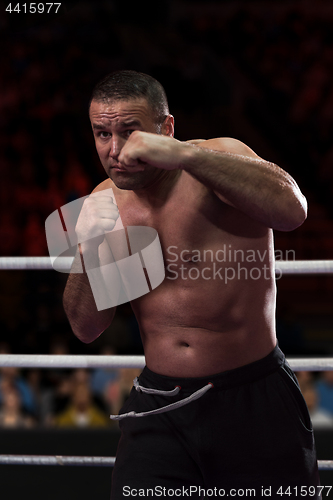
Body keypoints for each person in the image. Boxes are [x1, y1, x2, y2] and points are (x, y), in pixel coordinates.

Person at [63, 70, 320, 498]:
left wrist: (185, 156)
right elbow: (86, 327)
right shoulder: (105, 202)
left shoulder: (217, 160)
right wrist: (88, 248)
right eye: (102, 133)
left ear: (166, 128)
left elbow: (293, 210)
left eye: (130, 131)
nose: (115, 149)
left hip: (252, 395)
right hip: (160, 405)